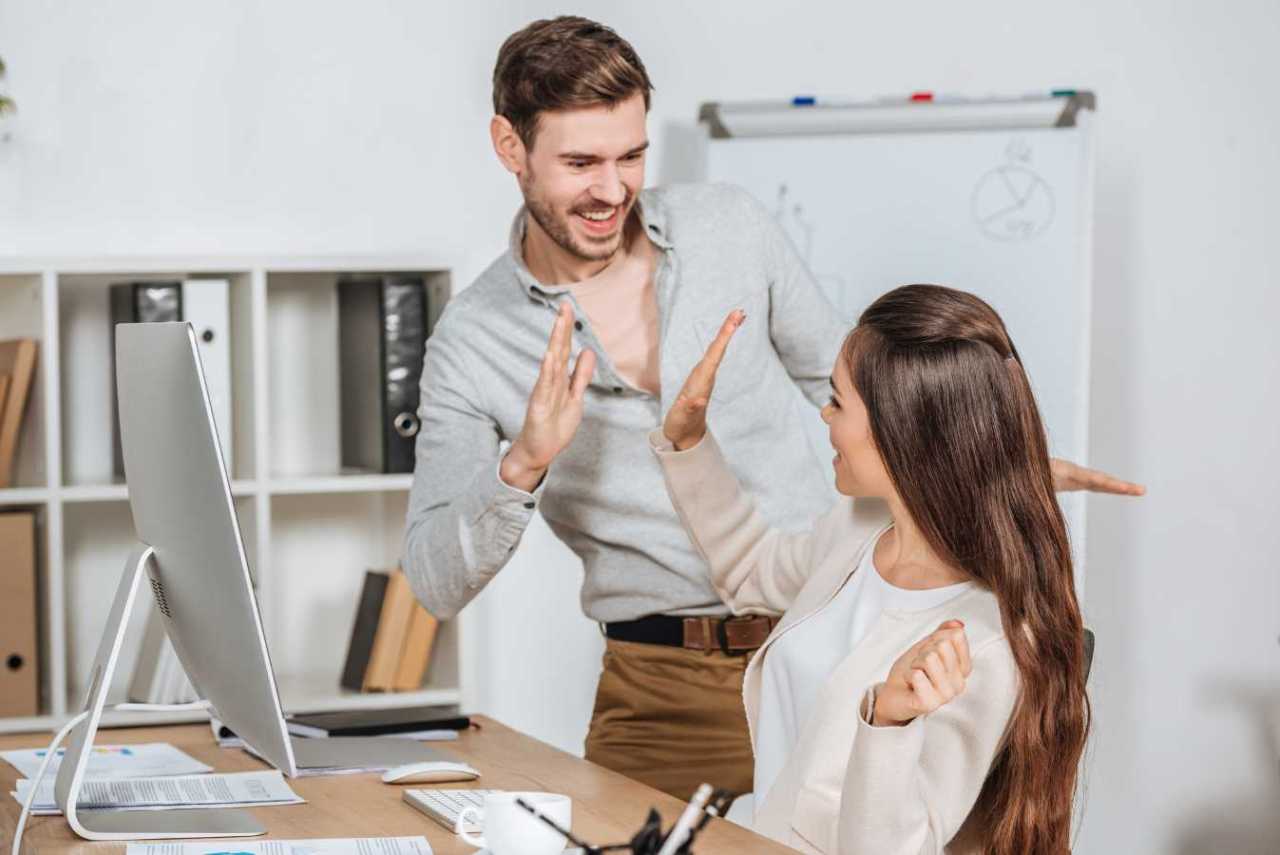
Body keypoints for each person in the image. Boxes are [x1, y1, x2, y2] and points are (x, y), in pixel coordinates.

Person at [400, 16, 1140, 801]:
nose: (613, 190)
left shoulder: (730, 227)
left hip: (818, 641)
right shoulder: (472, 340)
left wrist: (983, 459)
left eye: (632, 156)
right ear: (510, 148)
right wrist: (525, 464)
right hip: (657, 693)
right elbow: (434, 581)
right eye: (580, 162)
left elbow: (855, 387)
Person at [652, 284, 1094, 853]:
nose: (823, 413)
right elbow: (750, 572)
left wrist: (888, 723)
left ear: (899, 430)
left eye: (838, 401)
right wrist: (688, 443)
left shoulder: (980, 643)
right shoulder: (859, 529)